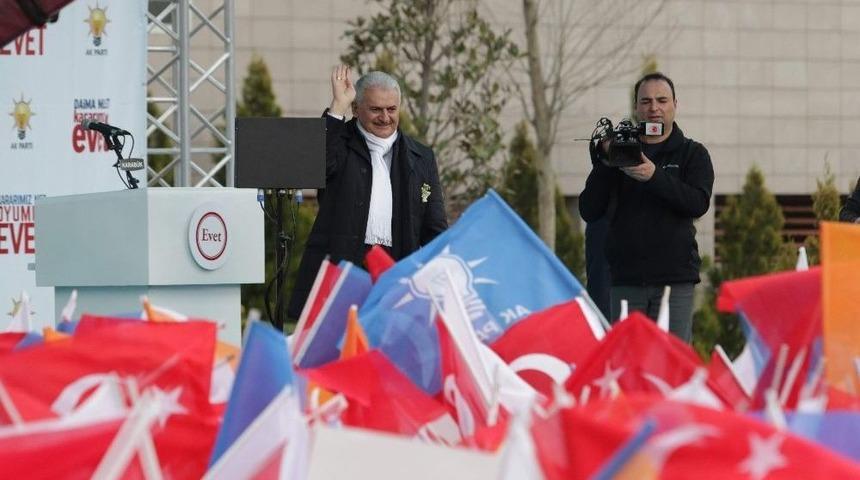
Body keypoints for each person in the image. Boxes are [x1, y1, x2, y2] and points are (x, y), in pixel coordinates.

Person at [288, 65, 448, 318]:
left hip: (396, 273)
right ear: (356, 109)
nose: (385, 117)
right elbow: (315, 165)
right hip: (341, 272)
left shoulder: (421, 157)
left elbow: (434, 228)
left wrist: (440, 279)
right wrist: (338, 106)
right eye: (375, 109)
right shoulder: (339, 143)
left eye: (391, 109)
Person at [578, 72, 714, 342]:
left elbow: (697, 203)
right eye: (646, 101)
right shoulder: (621, 152)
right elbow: (589, 210)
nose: (654, 108)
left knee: (671, 365)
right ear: (637, 107)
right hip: (626, 281)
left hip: (674, 282)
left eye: (662, 100)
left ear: (675, 104)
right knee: (627, 366)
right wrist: (606, 162)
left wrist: (655, 176)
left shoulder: (692, 153)